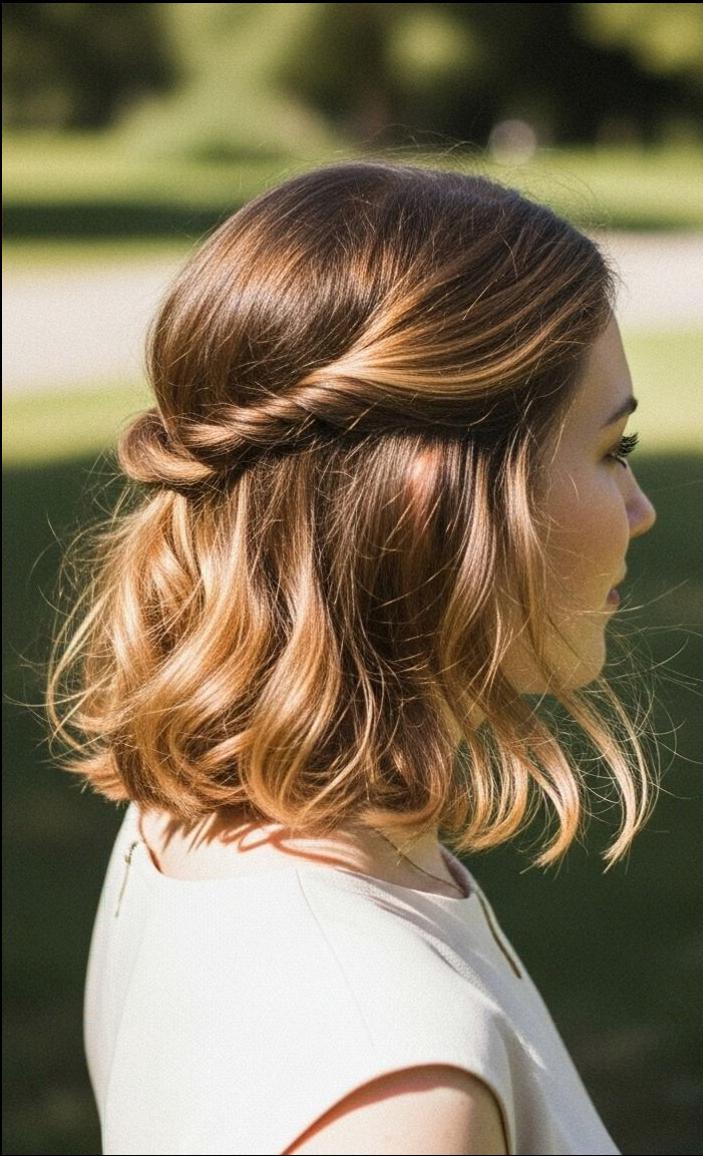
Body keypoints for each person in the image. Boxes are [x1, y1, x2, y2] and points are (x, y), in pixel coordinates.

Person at [47, 160, 658, 1154]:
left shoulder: (193, 811)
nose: (640, 509)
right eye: (611, 450)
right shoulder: (398, 1092)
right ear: (432, 503)